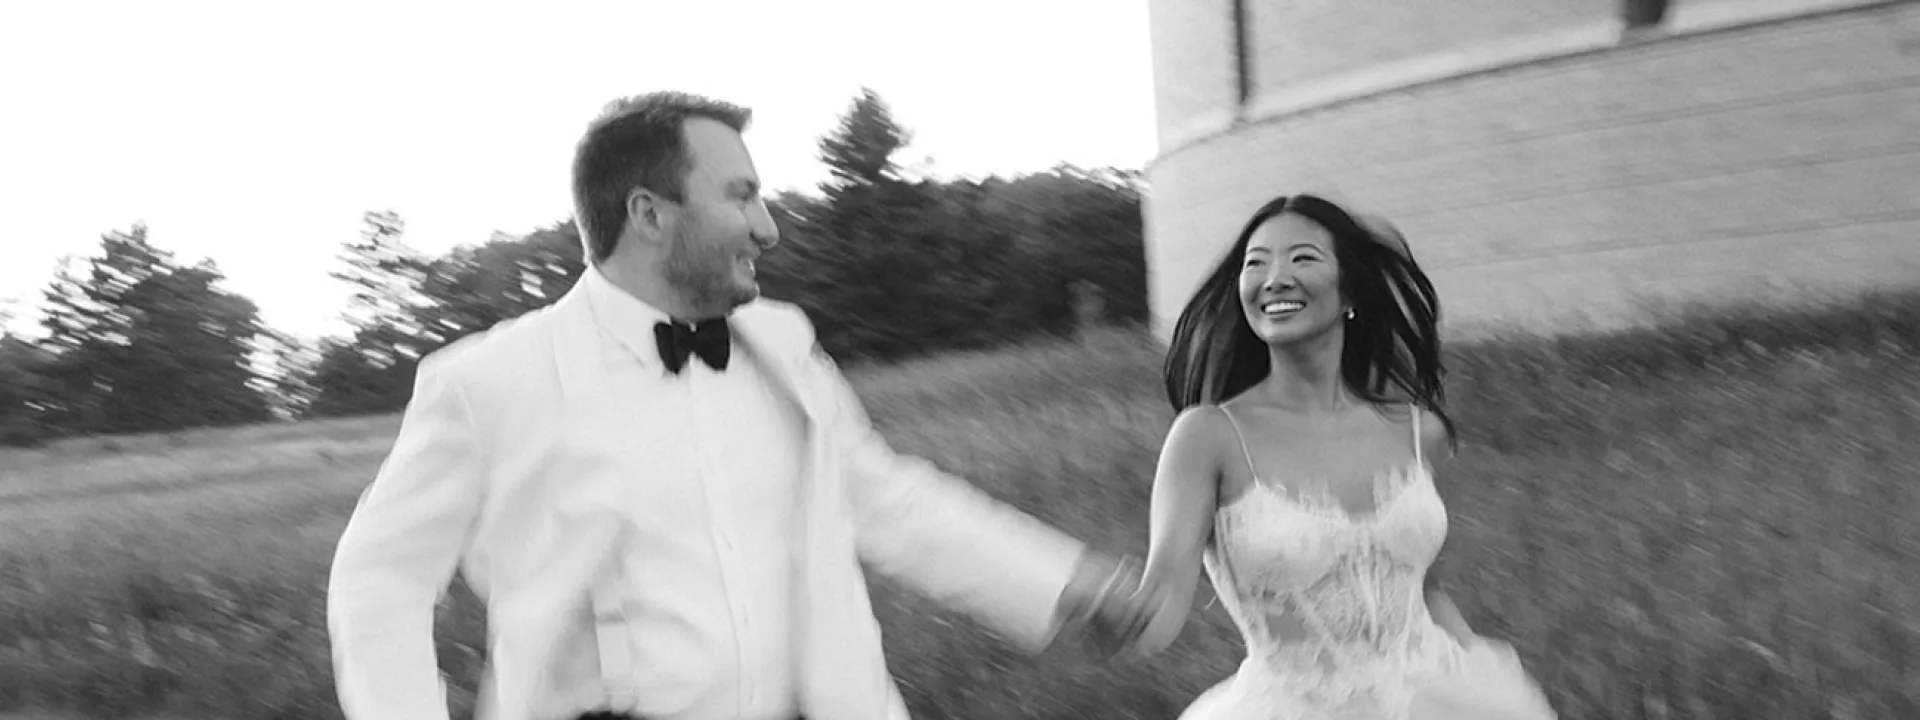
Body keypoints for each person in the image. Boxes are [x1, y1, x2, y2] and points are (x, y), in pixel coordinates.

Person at [325, 91, 1144, 720]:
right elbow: (379, 578)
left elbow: (884, 498)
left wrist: (1062, 581)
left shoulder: (783, 348)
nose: (768, 228)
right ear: (649, 214)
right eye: (742, 196)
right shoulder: (488, 382)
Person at [1115, 194, 1557, 719]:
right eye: (1256, 263)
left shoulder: (1419, 431)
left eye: (1302, 258)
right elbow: (1162, 602)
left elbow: (1425, 590)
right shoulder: (1208, 436)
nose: (1275, 278)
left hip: (1433, 698)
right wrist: (1111, 608)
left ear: (1350, 289)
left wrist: (1487, 683)